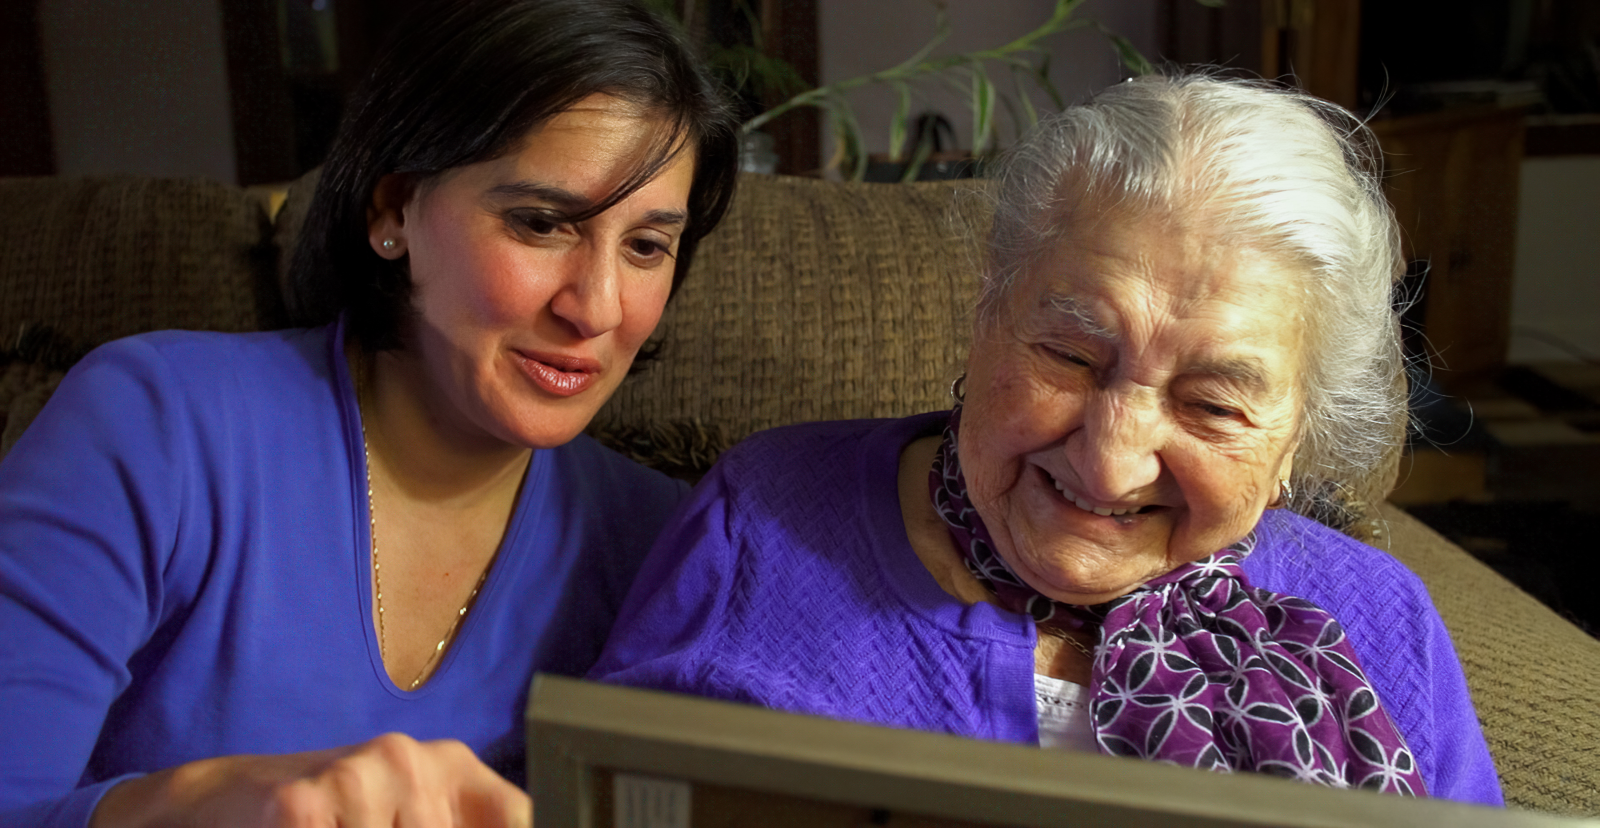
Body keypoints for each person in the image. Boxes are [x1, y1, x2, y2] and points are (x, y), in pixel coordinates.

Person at [591, 74, 1503, 805]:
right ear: (991, 305)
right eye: (1070, 355)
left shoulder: (1383, 623)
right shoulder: (765, 519)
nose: (1110, 459)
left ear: (1296, 435)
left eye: (1213, 404)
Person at [0, 0, 738, 824]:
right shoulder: (152, 429)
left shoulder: (672, 547)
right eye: (541, 223)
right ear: (394, 213)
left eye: (646, 246)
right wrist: (192, 803)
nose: (597, 307)